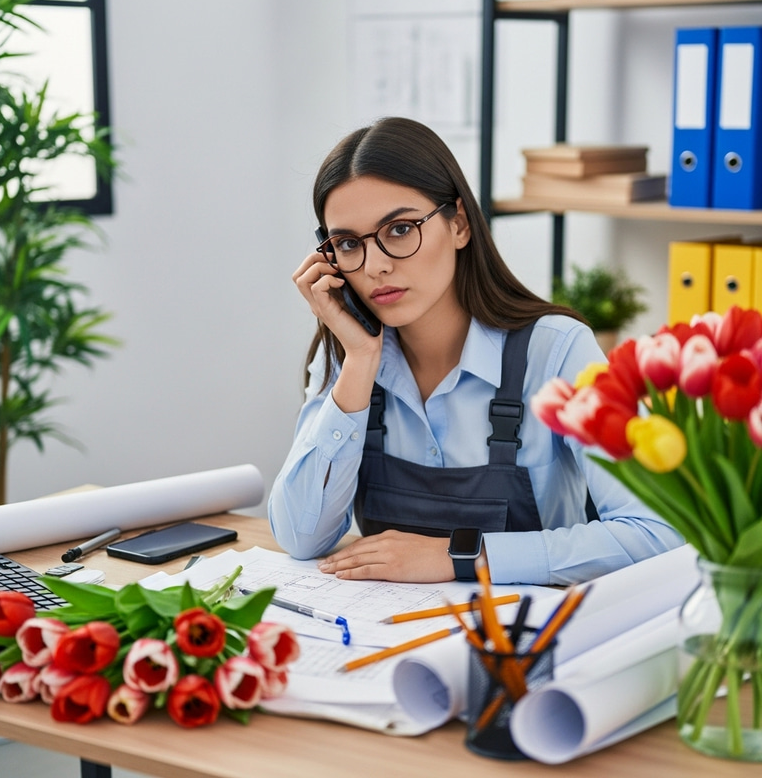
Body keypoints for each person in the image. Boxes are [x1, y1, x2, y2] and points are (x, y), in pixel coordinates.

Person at [267, 117, 681, 586]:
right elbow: (301, 537)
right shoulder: (348, 354)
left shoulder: (557, 350)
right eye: (348, 244)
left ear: (459, 223)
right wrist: (360, 361)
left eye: (400, 229)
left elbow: (659, 534)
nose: (376, 265)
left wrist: (461, 556)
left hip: (523, 641)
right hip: (384, 636)